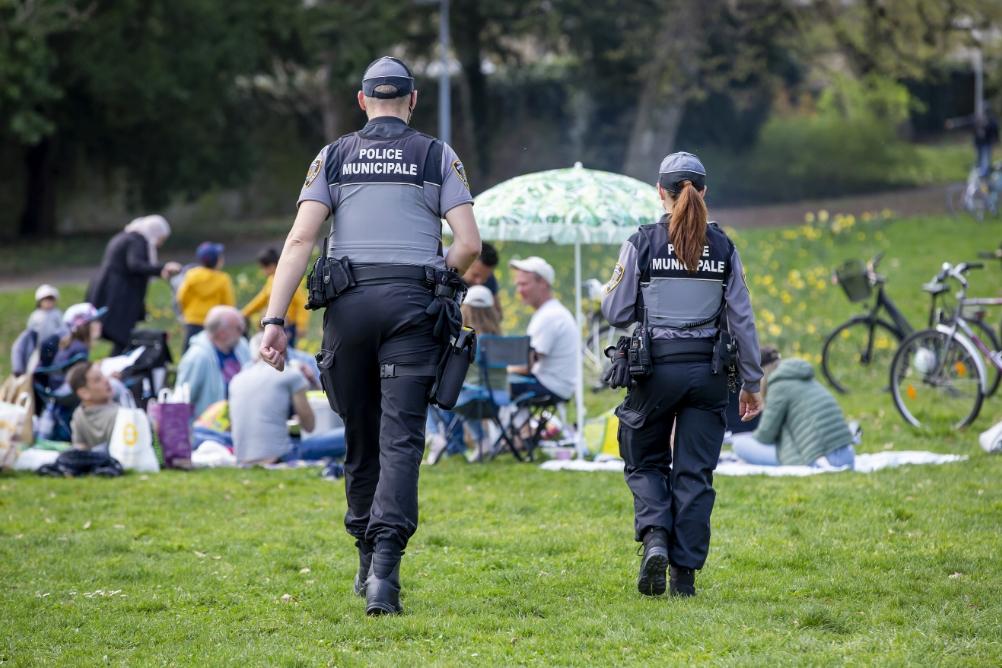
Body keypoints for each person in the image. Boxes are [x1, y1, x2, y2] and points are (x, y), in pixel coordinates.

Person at [256, 56, 481, 616]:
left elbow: (300, 241)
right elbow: (470, 244)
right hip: (412, 307)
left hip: (349, 307)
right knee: (401, 437)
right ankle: (385, 572)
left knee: (359, 433)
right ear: (413, 100)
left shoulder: (333, 156)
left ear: (362, 101)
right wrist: (440, 276)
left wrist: (274, 320)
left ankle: (363, 552)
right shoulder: (437, 154)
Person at [600, 151, 763, 598]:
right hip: (709, 373)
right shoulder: (725, 248)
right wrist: (752, 382)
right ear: (704, 192)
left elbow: (614, 310)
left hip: (655, 371)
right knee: (695, 473)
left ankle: (655, 538)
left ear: (661, 192)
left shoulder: (642, 242)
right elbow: (742, 320)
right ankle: (684, 579)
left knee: (646, 458)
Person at [730, 347, 856, 469]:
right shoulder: (803, 378)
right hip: (847, 456)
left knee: (739, 444)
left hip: (822, 459)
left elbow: (765, 436)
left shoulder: (779, 386)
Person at [230, 336, 346, 466]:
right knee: (355, 432)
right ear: (282, 349)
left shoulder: (236, 380)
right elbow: (309, 426)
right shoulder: (290, 374)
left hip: (242, 457)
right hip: (280, 456)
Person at [426, 285, 503, 464]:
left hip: (472, 398)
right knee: (468, 396)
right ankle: (482, 441)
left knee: (431, 394)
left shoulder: (468, 341)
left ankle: (434, 436)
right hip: (500, 399)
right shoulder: (500, 341)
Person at [87, 215, 182, 354]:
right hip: (120, 295)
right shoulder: (137, 240)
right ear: (154, 232)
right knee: (122, 337)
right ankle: (116, 369)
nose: (160, 244)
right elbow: (135, 264)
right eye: (161, 239)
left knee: (119, 337)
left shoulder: (125, 236)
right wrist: (162, 268)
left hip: (107, 289)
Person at [507, 256, 578, 403]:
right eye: (518, 285)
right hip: (557, 385)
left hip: (551, 386)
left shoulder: (549, 316)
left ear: (543, 283)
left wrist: (498, 371)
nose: (519, 290)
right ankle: (516, 426)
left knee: (490, 386)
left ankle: (500, 426)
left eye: (524, 284)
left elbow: (526, 365)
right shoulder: (551, 311)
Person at [176, 305, 250, 417]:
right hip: (208, 429)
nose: (242, 332)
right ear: (222, 333)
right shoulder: (197, 357)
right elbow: (183, 400)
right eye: (238, 328)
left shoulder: (241, 346)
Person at [241, 248, 310, 348]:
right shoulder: (271, 280)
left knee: (286, 351)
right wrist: (244, 313)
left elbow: (302, 302)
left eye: (263, 268)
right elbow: (261, 300)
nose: (262, 271)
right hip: (277, 323)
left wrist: (301, 325)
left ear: (272, 266)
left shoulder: (288, 279)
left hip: (288, 326)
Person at [176, 242, 235, 351]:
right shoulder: (223, 279)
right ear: (218, 260)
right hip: (214, 322)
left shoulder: (191, 275)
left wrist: (187, 312)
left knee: (189, 350)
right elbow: (228, 304)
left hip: (192, 320)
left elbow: (181, 297)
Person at [67, 361, 119, 451]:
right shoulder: (118, 414)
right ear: (84, 393)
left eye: (103, 375)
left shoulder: (78, 413)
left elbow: (79, 447)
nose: (106, 380)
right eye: (98, 380)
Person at [462, 242, 502, 319]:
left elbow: (498, 315)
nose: (479, 282)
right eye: (475, 275)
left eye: (485, 278)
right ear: (463, 262)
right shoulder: (447, 278)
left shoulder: (490, 280)